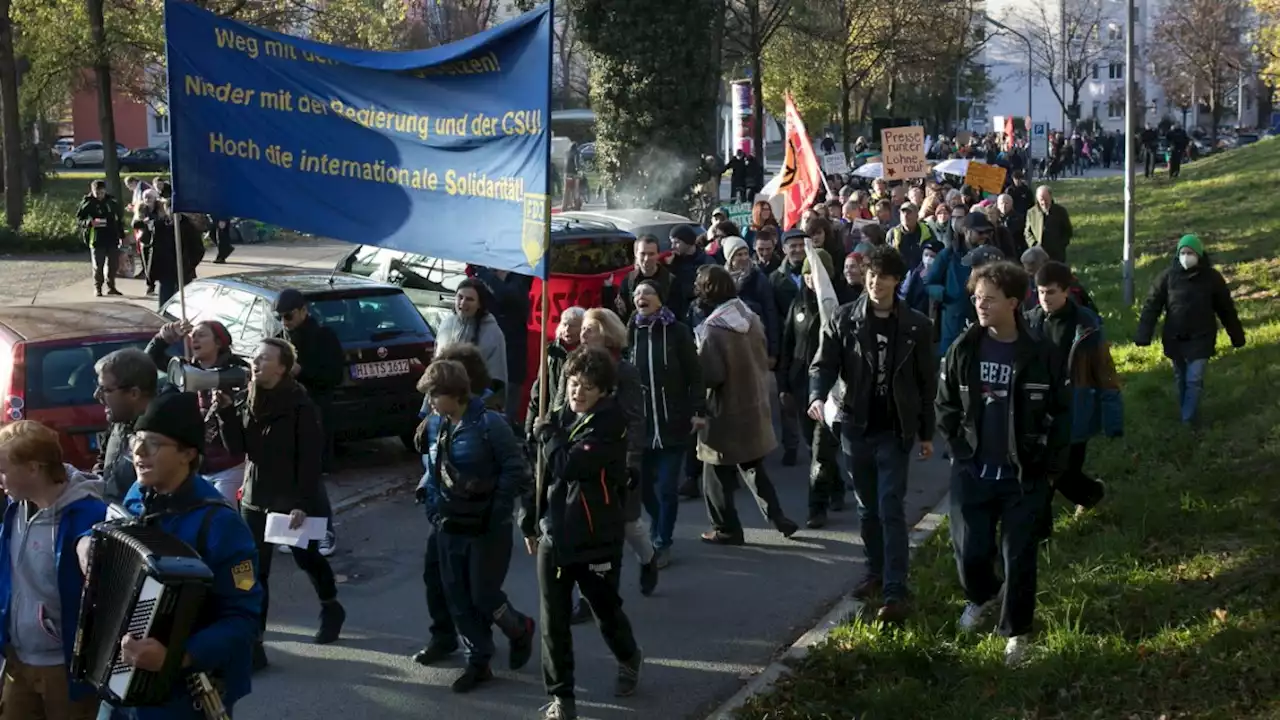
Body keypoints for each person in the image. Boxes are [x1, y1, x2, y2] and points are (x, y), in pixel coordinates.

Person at [82, 392, 262, 719]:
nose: (137, 451)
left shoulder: (222, 525)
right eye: (137, 440)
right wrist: (85, 545)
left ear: (187, 454)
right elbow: (109, 532)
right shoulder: (137, 493)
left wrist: (178, 655)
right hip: (120, 676)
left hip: (184, 693)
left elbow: (243, 619)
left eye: (152, 443)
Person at [935, 261, 1071, 667]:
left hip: (1023, 476)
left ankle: (1017, 632)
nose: (981, 306)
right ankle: (981, 596)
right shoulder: (963, 348)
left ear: (1013, 303)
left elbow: (1063, 414)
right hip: (973, 471)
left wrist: (1049, 468)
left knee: (1019, 556)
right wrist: (959, 448)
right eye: (977, 298)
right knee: (970, 552)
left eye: (989, 300)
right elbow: (945, 406)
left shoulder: (1041, 353)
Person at [809, 246, 936, 622]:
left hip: (895, 429)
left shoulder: (915, 325)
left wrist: (927, 433)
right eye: (870, 276)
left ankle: (896, 590)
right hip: (856, 424)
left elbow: (925, 382)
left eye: (883, 277)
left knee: (890, 507)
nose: (875, 283)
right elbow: (824, 363)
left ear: (897, 281)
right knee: (867, 509)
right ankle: (875, 573)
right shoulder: (845, 319)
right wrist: (817, 395)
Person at [521, 346, 644, 720]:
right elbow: (539, 476)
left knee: (604, 609)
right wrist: (530, 519)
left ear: (603, 391)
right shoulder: (557, 418)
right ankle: (563, 697)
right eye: (573, 384)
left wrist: (548, 436)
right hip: (555, 536)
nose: (577, 393)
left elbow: (570, 465)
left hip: (595, 537)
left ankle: (628, 656)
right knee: (553, 621)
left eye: (588, 387)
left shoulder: (611, 424)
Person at [216, 338, 345, 671]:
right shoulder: (251, 398)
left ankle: (331, 605)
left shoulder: (300, 406)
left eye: (263, 358)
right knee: (254, 573)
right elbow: (238, 448)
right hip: (256, 499)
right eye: (254, 358)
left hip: (291, 500)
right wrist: (227, 411)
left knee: (306, 558)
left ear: (282, 367)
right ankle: (255, 642)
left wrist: (302, 502)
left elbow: (311, 458)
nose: (255, 363)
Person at [413, 360, 536, 693]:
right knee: (457, 595)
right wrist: (431, 505)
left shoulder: (490, 424)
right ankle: (478, 661)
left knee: (483, 594)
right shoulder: (437, 424)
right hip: (449, 524)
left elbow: (516, 470)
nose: (430, 403)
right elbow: (434, 467)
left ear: (454, 393)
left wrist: (498, 510)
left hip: (486, 527)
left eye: (434, 396)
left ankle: (519, 628)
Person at [0, 421, 106, 720]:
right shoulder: (15, 508)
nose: (0, 478)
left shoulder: (88, 514)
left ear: (33, 469)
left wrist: (88, 544)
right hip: (17, 660)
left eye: (4, 470)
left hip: (64, 668)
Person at [693, 265, 799, 544]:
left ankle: (726, 527)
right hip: (753, 402)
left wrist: (697, 359)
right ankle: (777, 516)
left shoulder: (713, 329)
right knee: (753, 467)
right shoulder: (749, 317)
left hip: (724, 410)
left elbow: (712, 375)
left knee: (713, 473)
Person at [1025, 261, 1121, 535]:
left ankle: (1091, 494)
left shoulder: (1085, 324)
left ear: (1066, 291)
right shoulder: (1032, 320)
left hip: (1076, 408)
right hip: (1041, 408)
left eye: (1052, 292)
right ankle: (1041, 537)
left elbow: (1103, 370)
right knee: (1044, 473)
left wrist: (1112, 417)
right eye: (1041, 292)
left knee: (1065, 472)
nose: (1045, 298)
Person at [577, 309, 658, 603]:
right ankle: (589, 595)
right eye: (583, 327)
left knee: (627, 523)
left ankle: (648, 559)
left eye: (591, 328)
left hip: (619, 455)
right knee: (588, 526)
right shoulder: (576, 365)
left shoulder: (624, 371)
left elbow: (635, 418)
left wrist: (632, 458)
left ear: (607, 332)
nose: (584, 333)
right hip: (584, 455)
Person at [627, 280, 706, 568]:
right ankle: (657, 525)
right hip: (642, 424)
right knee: (644, 486)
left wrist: (698, 410)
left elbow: (695, 374)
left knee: (667, 488)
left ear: (660, 299)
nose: (641, 297)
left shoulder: (677, 331)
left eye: (647, 292)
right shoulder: (631, 330)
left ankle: (662, 541)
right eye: (637, 294)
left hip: (673, 420)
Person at [1135, 234, 1246, 425]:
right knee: (1181, 378)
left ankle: (1187, 420)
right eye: (1183, 252)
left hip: (1201, 337)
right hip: (1175, 337)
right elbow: (1151, 306)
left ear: (1199, 254)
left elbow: (1226, 309)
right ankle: (1187, 411)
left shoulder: (1212, 279)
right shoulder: (1167, 278)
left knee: (1194, 379)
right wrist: (1143, 334)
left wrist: (1236, 336)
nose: (1186, 257)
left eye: (1190, 253)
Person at [777, 248, 846, 528]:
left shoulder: (838, 309)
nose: (809, 280)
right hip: (801, 387)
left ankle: (816, 508)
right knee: (816, 446)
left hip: (828, 392)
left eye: (815, 274)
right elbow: (786, 346)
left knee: (820, 449)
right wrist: (783, 385)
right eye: (806, 274)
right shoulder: (797, 306)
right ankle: (837, 487)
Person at [146, 319, 249, 503]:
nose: (194, 339)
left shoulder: (237, 371)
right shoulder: (185, 369)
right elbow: (150, 359)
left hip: (228, 466)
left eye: (201, 335)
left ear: (219, 342)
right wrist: (164, 337)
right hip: (197, 465)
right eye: (193, 335)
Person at [274, 289, 345, 474]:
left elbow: (335, 375)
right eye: (279, 317)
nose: (284, 322)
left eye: (288, 316)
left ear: (303, 311)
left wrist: (302, 371)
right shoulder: (279, 340)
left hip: (316, 408)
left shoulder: (324, 337)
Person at [94, 347, 164, 503]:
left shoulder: (163, 437)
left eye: (105, 389)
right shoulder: (118, 423)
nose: (97, 395)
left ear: (134, 393)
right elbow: (103, 463)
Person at [435, 279, 509, 403]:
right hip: (443, 398)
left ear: (480, 303)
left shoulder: (492, 331)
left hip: (475, 400)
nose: (463, 303)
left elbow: (497, 376)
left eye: (469, 299)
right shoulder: (446, 324)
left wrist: (479, 401)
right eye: (460, 297)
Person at [526, 307, 585, 439]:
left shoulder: (586, 356)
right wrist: (529, 426)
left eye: (573, 325)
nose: (567, 329)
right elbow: (539, 390)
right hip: (550, 419)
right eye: (564, 324)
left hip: (573, 424)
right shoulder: (552, 352)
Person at [720, 235, 780, 363]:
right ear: (729, 257)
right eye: (738, 255)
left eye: (745, 253)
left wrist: (773, 351)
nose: (744, 258)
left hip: (756, 340)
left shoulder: (758, 278)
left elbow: (770, 313)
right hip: (731, 345)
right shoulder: (722, 280)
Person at [608, 236, 679, 324]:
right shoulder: (628, 280)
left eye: (651, 254)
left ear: (658, 255)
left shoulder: (670, 281)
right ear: (636, 254)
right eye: (643, 254)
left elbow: (678, 315)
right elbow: (621, 313)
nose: (646, 258)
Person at [76, 179, 125, 298]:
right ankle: (98, 287)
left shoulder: (111, 201)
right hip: (97, 238)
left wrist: (122, 235)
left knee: (113, 265)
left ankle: (111, 286)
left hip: (112, 236)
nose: (99, 196)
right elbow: (79, 219)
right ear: (92, 191)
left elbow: (119, 219)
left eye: (102, 193)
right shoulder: (88, 203)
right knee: (99, 265)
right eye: (97, 193)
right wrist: (89, 222)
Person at [1023, 186, 1073, 262]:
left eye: (1046, 199)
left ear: (1050, 197)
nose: (1044, 202)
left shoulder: (1060, 211)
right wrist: (1034, 245)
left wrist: (1061, 245)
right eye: (1041, 200)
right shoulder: (1031, 212)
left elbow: (1067, 230)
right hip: (1038, 254)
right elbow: (1027, 232)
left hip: (1057, 254)